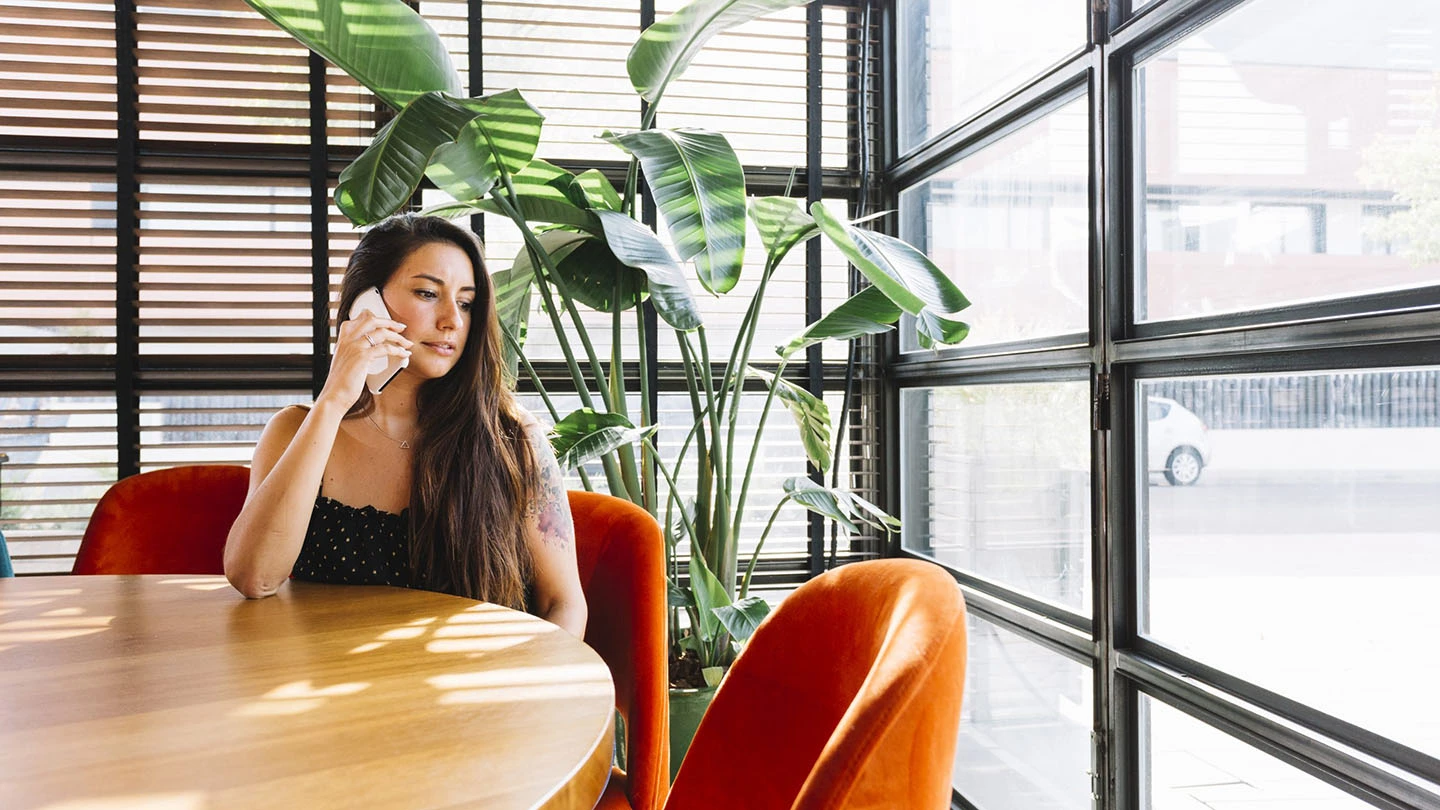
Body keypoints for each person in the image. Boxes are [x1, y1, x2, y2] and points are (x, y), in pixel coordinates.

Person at [224, 214, 586, 639]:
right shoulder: (297, 430)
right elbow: (254, 579)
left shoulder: (512, 437)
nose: (453, 320)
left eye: (466, 303)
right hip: (328, 675)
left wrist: (536, 679)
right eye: (428, 293)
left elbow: (563, 604)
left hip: (476, 676)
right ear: (367, 305)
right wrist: (333, 401)